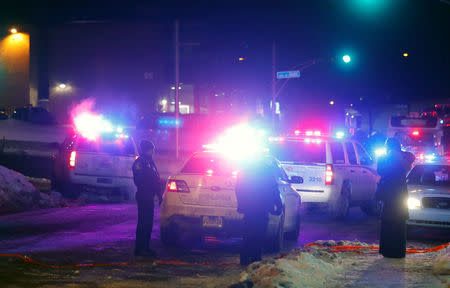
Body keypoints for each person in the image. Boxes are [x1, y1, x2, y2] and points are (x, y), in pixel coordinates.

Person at [235, 158, 283, 265]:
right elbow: (274, 189)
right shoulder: (266, 170)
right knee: (259, 233)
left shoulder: (245, 171)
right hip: (262, 208)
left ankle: (245, 259)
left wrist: (241, 205)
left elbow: (238, 189)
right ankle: (255, 257)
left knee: (248, 233)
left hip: (250, 208)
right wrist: (278, 206)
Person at [376, 138, 415, 258]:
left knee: (388, 222)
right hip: (400, 194)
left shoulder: (386, 158)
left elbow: (380, 170)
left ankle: (387, 250)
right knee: (399, 223)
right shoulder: (405, 157)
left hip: (389, 193)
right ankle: (398, 251)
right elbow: (410, 160)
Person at [132, 140, 162, 257]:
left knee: (148, 223)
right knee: (143, 222)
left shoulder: (150, 162)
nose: (152, 152)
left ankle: (146, 247)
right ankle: (139, 249)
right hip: (143, 195)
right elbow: (139, 180)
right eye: (150, 150)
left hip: (150, 195)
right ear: (145, 150)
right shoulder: (139, 163)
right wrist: (149, 187)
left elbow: (156, 178)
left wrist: (159, 194)